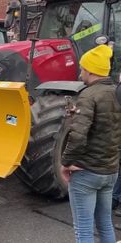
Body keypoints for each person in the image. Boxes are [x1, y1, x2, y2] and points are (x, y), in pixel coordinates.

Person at [61, 44, 121, 243]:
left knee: (83, 228)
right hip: (110, 172)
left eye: (82, 69)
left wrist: (65, 163)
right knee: (105, 223)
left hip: (86, 172)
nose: (80, 73)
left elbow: (78, 136)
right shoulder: (116, 93)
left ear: (90, 70)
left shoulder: (88, 95)